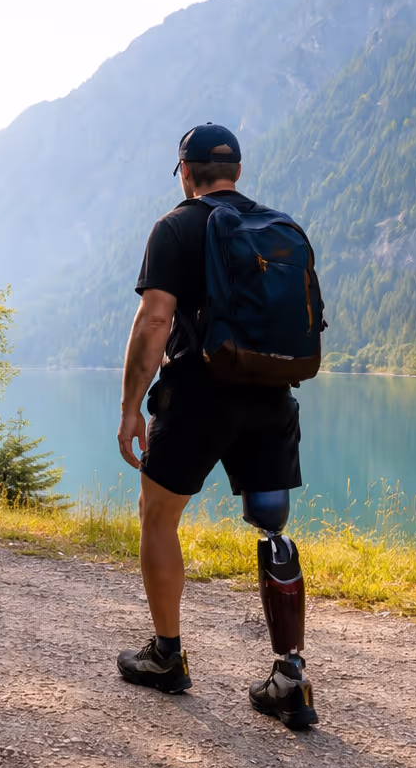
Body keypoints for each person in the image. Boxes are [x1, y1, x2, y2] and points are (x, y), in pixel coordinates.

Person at [115, 122, 319, 729]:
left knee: (159, 514)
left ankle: (167, 656)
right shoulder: (279, 226)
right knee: (272, 526)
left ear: (185, 170)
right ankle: (290, 677)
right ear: (237, 171)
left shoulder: (176, 226)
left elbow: (155, 321)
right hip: (271, 393)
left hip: (200, 396)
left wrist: (131, 408)